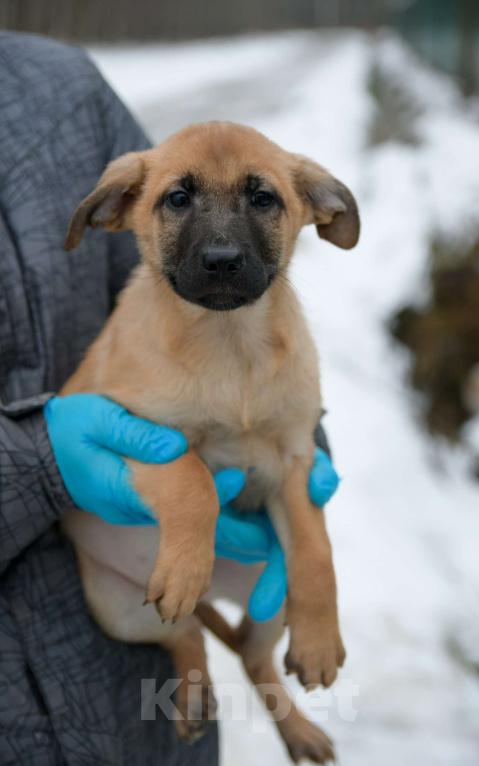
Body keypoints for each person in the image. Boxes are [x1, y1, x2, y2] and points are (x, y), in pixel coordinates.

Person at [0, 32, 339, 766]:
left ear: (317, 210)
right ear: (119, 209)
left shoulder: (61, 85)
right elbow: (140, 439)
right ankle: (190, 649)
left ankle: (251, 662)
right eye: (180, 201)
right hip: (94, 586)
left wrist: (303, 473)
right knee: (137, 614)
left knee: (280, 578)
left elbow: (293, 457)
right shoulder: (142, 321)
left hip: (140, 720)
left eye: (260, 199)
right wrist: (30, 458)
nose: (220, 245)